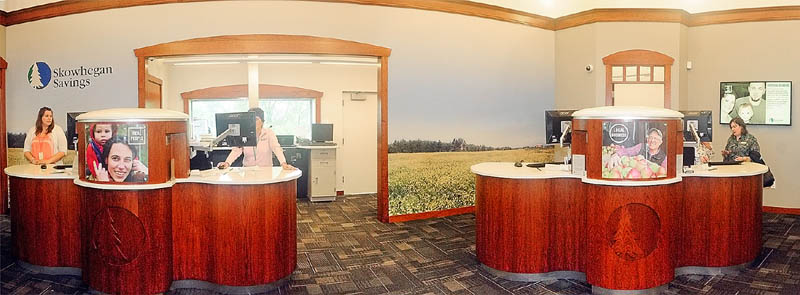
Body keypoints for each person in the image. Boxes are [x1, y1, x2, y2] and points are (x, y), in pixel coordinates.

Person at [217, 107, 296, 170]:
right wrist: (227, 163)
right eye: (250, 119)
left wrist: (283, 163)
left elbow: (276, 148)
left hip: (266, 171)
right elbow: (236, 150)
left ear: (262, 122)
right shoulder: (243, 134)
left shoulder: (268, 133)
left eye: (256, 119)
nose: (252, 122)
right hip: (248, 171)